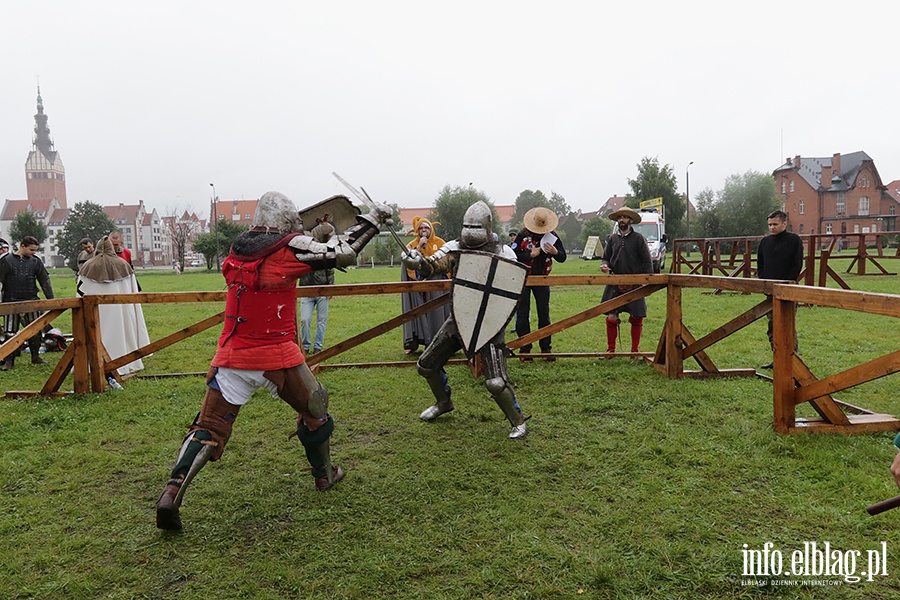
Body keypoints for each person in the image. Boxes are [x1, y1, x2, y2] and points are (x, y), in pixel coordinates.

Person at [156, 191, 392, 530]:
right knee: (316, 411)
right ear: (285, 222)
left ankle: (171, 494)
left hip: (233, 354)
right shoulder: (286, 250)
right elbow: (345, 253)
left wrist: (316, 235)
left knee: (207, 428)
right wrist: (373, 218)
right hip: (277, 354)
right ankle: (324, 475)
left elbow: (301, 250)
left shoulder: (237, 252)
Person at [402, 201, 528, 440]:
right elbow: (433, 266)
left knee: (495, 383)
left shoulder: (504, 253)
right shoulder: (455, 248)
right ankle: (443, 402)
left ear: (487, 227)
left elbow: (512, 289)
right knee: (426, 365)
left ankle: (518, 421)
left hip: (491, 325)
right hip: (460, 319)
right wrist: (416, 261)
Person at [77, 236, 150, 376]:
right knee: (122, 332)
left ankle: (95, 362)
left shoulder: (88, 266)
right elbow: (133, 291)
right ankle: (124, 361)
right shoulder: (123, 265)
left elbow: (80, 292)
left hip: (96, 313)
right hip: (121, 311)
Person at [513, 207, 567, 361]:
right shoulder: (522, 235)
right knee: (522, 314)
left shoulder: (552, 236)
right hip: (524, 279)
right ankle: (525, 349)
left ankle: (546, 348)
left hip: (543, 279)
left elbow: (563, 257)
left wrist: (555, 252)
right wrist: (530, 255)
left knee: (544, 313)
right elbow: (513, 255)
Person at [600, 208, 653, 356]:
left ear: (630, 221)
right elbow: (606, 257)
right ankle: (611, 350)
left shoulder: (638, 238)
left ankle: (634, 351)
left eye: (625, 218)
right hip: (615, 281)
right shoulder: (612, 238)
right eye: (620, 218)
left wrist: (647, 280)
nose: (622, 220)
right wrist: (605, 265)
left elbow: (647, 261)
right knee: (611, 316)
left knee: (636, 317)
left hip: (635, 282)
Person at [756, 209, 803, 369]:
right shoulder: (765, 242)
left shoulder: (794, 240)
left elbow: (796, 264)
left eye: (775, 224)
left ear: (785, 223)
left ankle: (792, 360)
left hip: (788, 290)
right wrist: (764, 282)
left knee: (787, 324)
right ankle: (776, 358)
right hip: (769, 290)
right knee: (772, 325)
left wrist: (788, 283)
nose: (772, 227)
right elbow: (760, 264)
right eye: (770, 224)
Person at [0, 236, 55, 371]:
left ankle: (35, 357)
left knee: (35, 331)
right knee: (10, 332)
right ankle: (9, 361)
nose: (33, 253)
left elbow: (44, 281)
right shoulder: (5, 261)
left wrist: (51, 301)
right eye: (31, 250)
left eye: (35, 250)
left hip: (31, 301)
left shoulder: (36, 262)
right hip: (11, 302)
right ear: (22, 246)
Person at [401, 216, 450, 354]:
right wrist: (418, 247)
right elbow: (408, 264)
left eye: (426, 228)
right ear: (417, 230)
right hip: (418, 286)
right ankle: (414, 341)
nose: (423, 230)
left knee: (438, 312)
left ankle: (442, 342)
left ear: (431, 229)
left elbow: (448, 262)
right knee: (417, 312)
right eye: (421, 228)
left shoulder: (441, 243)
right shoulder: (411, 246)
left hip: (436, 286)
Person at [299, 220, 336, 355]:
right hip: (306, 290)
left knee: (321, 320)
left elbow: (331, 270)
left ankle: (318, 346)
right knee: (305, 319)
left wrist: (330, 288)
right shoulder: (303, 251)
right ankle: (306, 345)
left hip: (322, 289)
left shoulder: (325, 251)